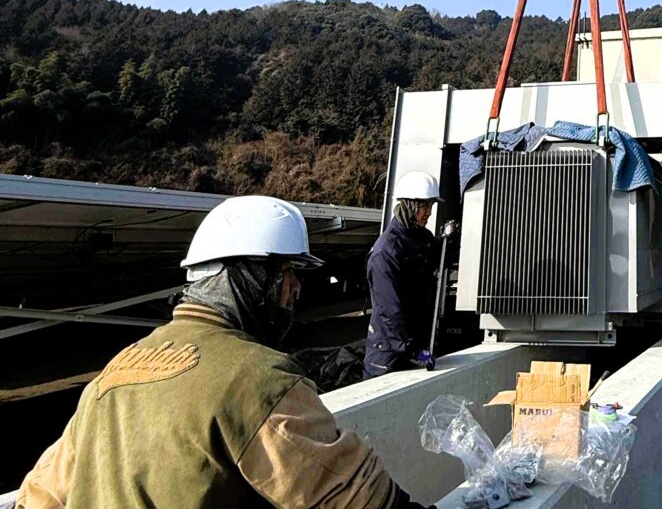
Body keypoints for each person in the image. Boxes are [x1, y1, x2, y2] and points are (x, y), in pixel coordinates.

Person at [16, 195, 432, 509]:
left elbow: (37, 497)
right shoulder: (258, 378)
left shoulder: (112, 374)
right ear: (246, 277)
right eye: (287, 271)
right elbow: (354, 497)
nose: (296, 288)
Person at [364, 172, 444, 379]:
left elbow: (437, 257)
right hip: (388, 356)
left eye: (431, 206)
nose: (429, 213)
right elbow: (391, 310)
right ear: (408, 205)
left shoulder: (422, 238)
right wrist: (414, 351)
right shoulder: (386, 251)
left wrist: (448, 242)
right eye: (424, 206)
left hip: (413, 346)